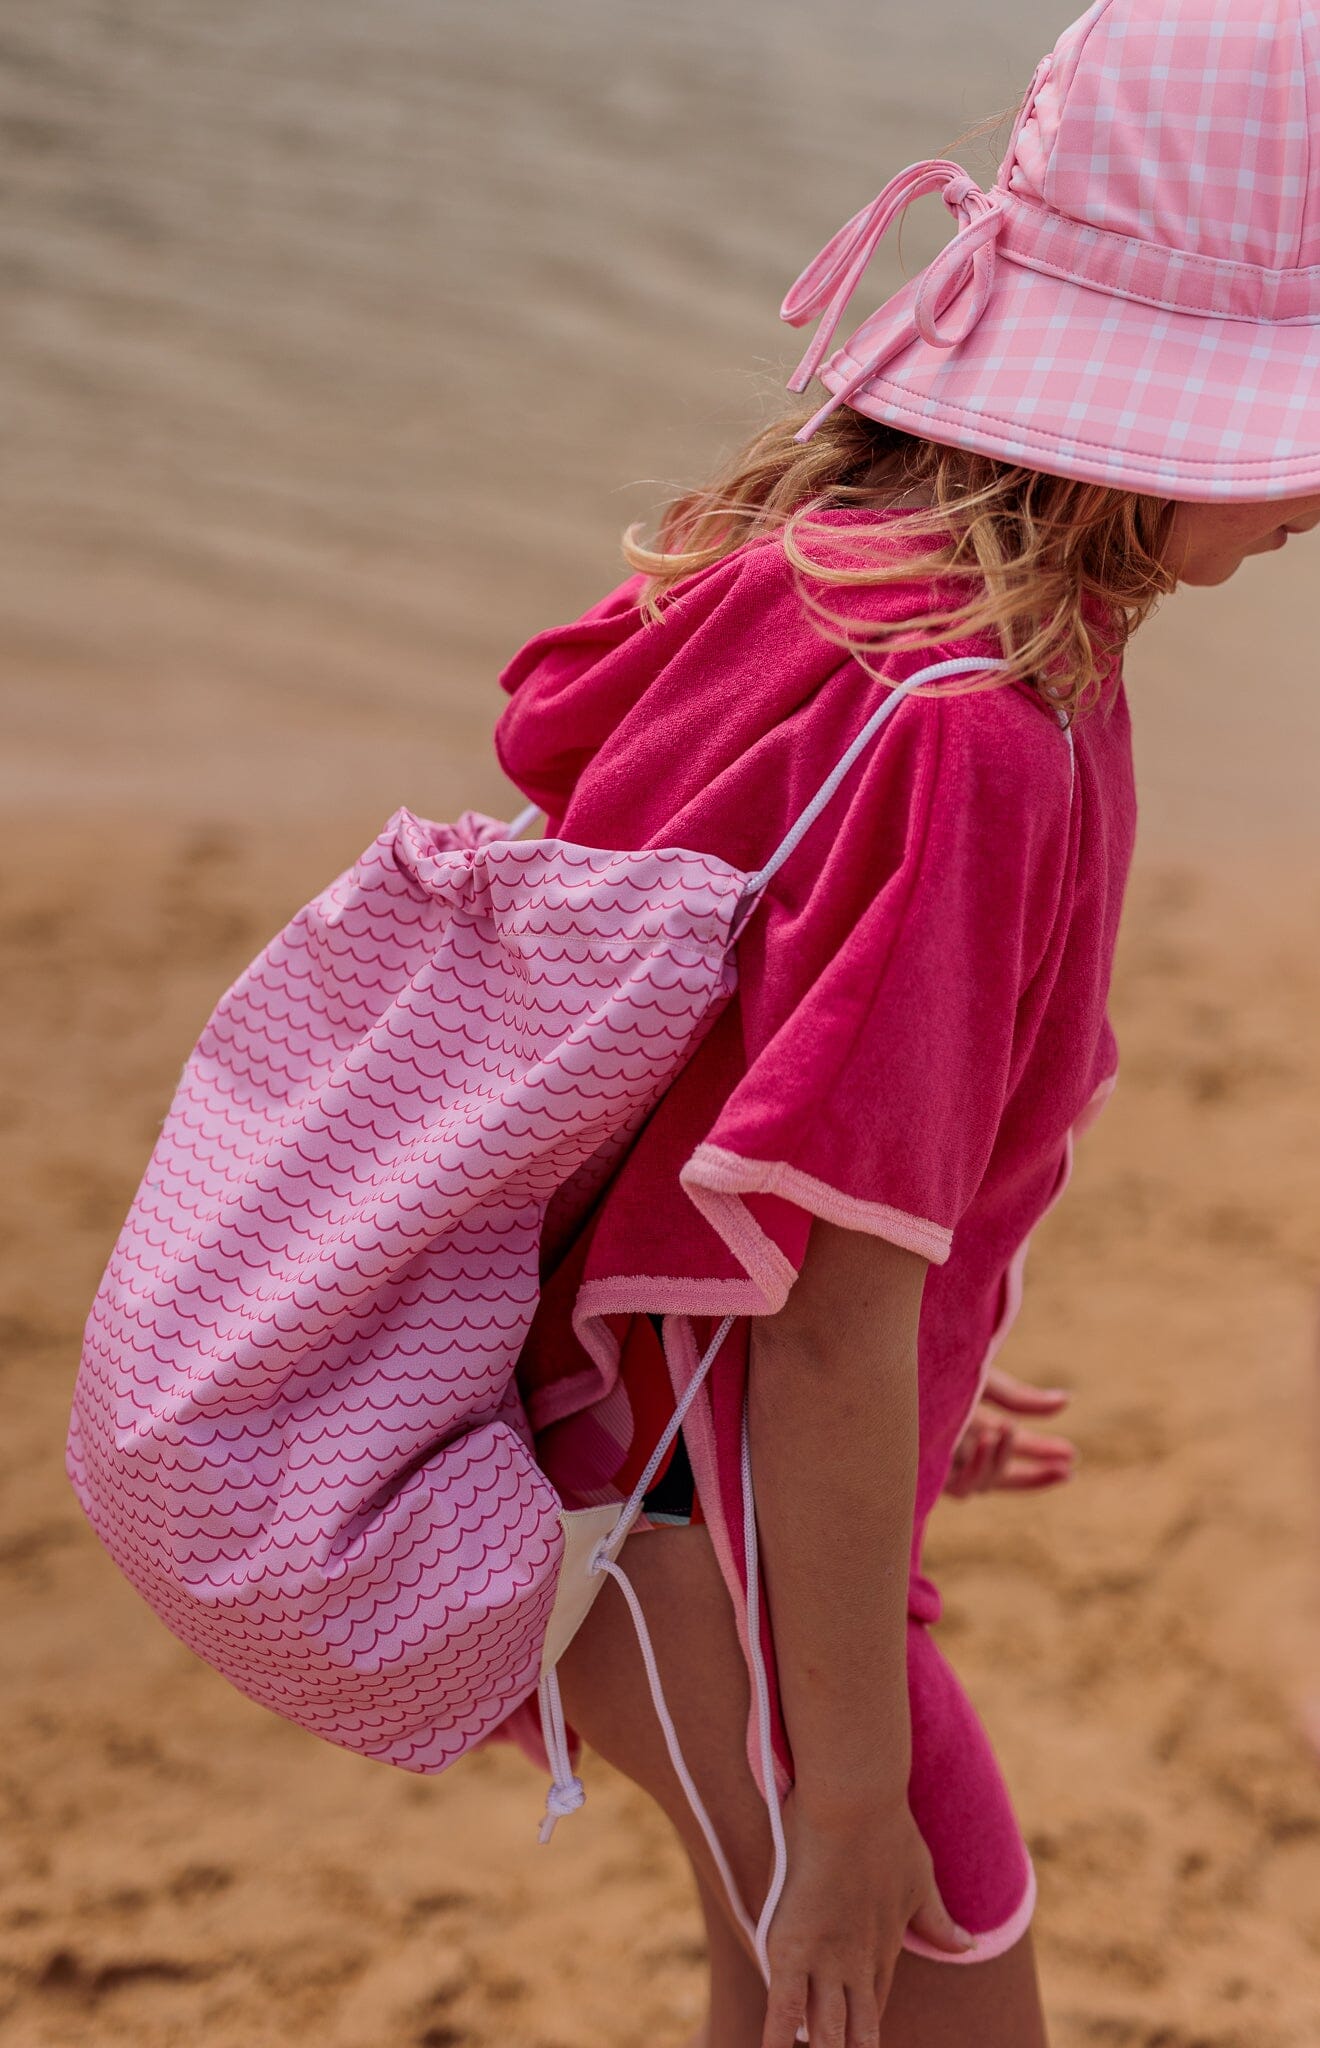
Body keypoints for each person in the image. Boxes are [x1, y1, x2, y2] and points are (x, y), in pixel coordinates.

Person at [493, 3, 1320, 2042]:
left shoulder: (829, 575)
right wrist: (851, 1789)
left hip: (635, 1461)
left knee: (779, 1998)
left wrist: (933, 1370)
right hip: (731, 1537)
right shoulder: (987, 740)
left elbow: (718, 1093)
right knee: (932, 1978)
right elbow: (829, 1309)